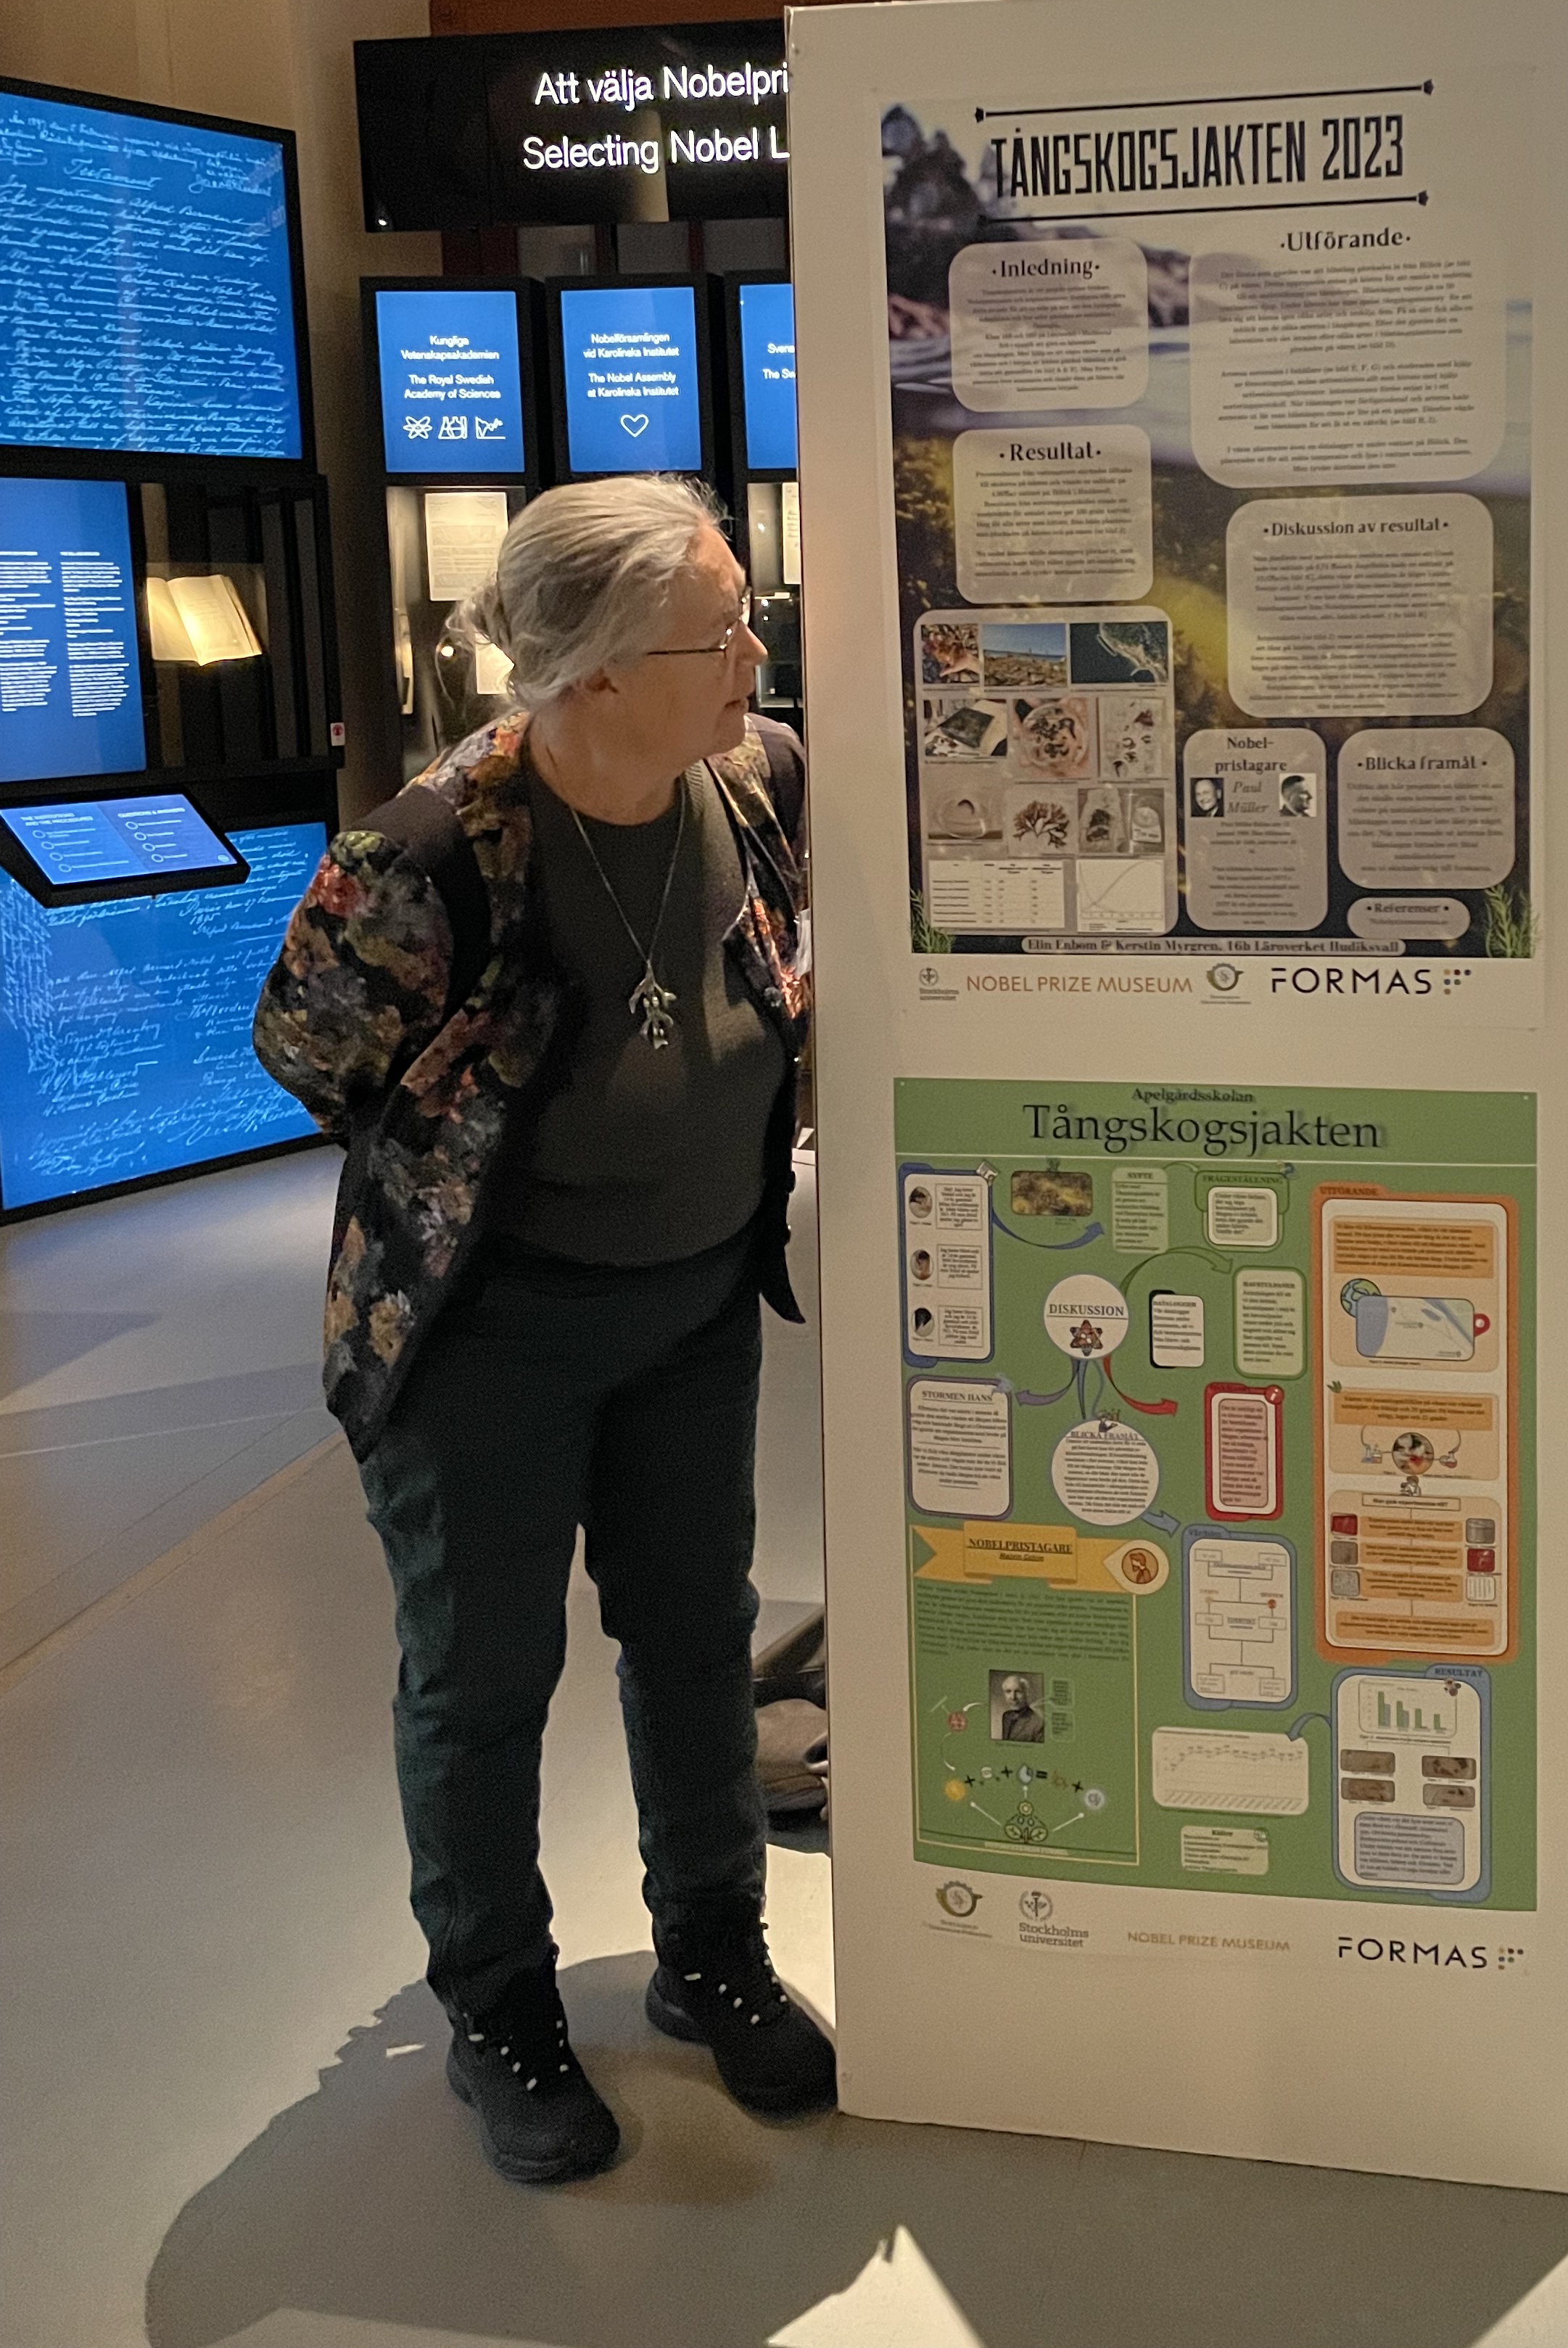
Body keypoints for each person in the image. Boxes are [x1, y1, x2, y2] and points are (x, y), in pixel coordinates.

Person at [254, 474, 834, 2188]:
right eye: (720, 634)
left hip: (694, 1306)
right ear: (596, 668)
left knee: (696, 1635)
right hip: (486, 1339)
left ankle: (711, 1951)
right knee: (484, 1675)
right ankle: (500, 2009)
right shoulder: (427, 853)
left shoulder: (759, 779)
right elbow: (309, 1052)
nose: (755, 656)